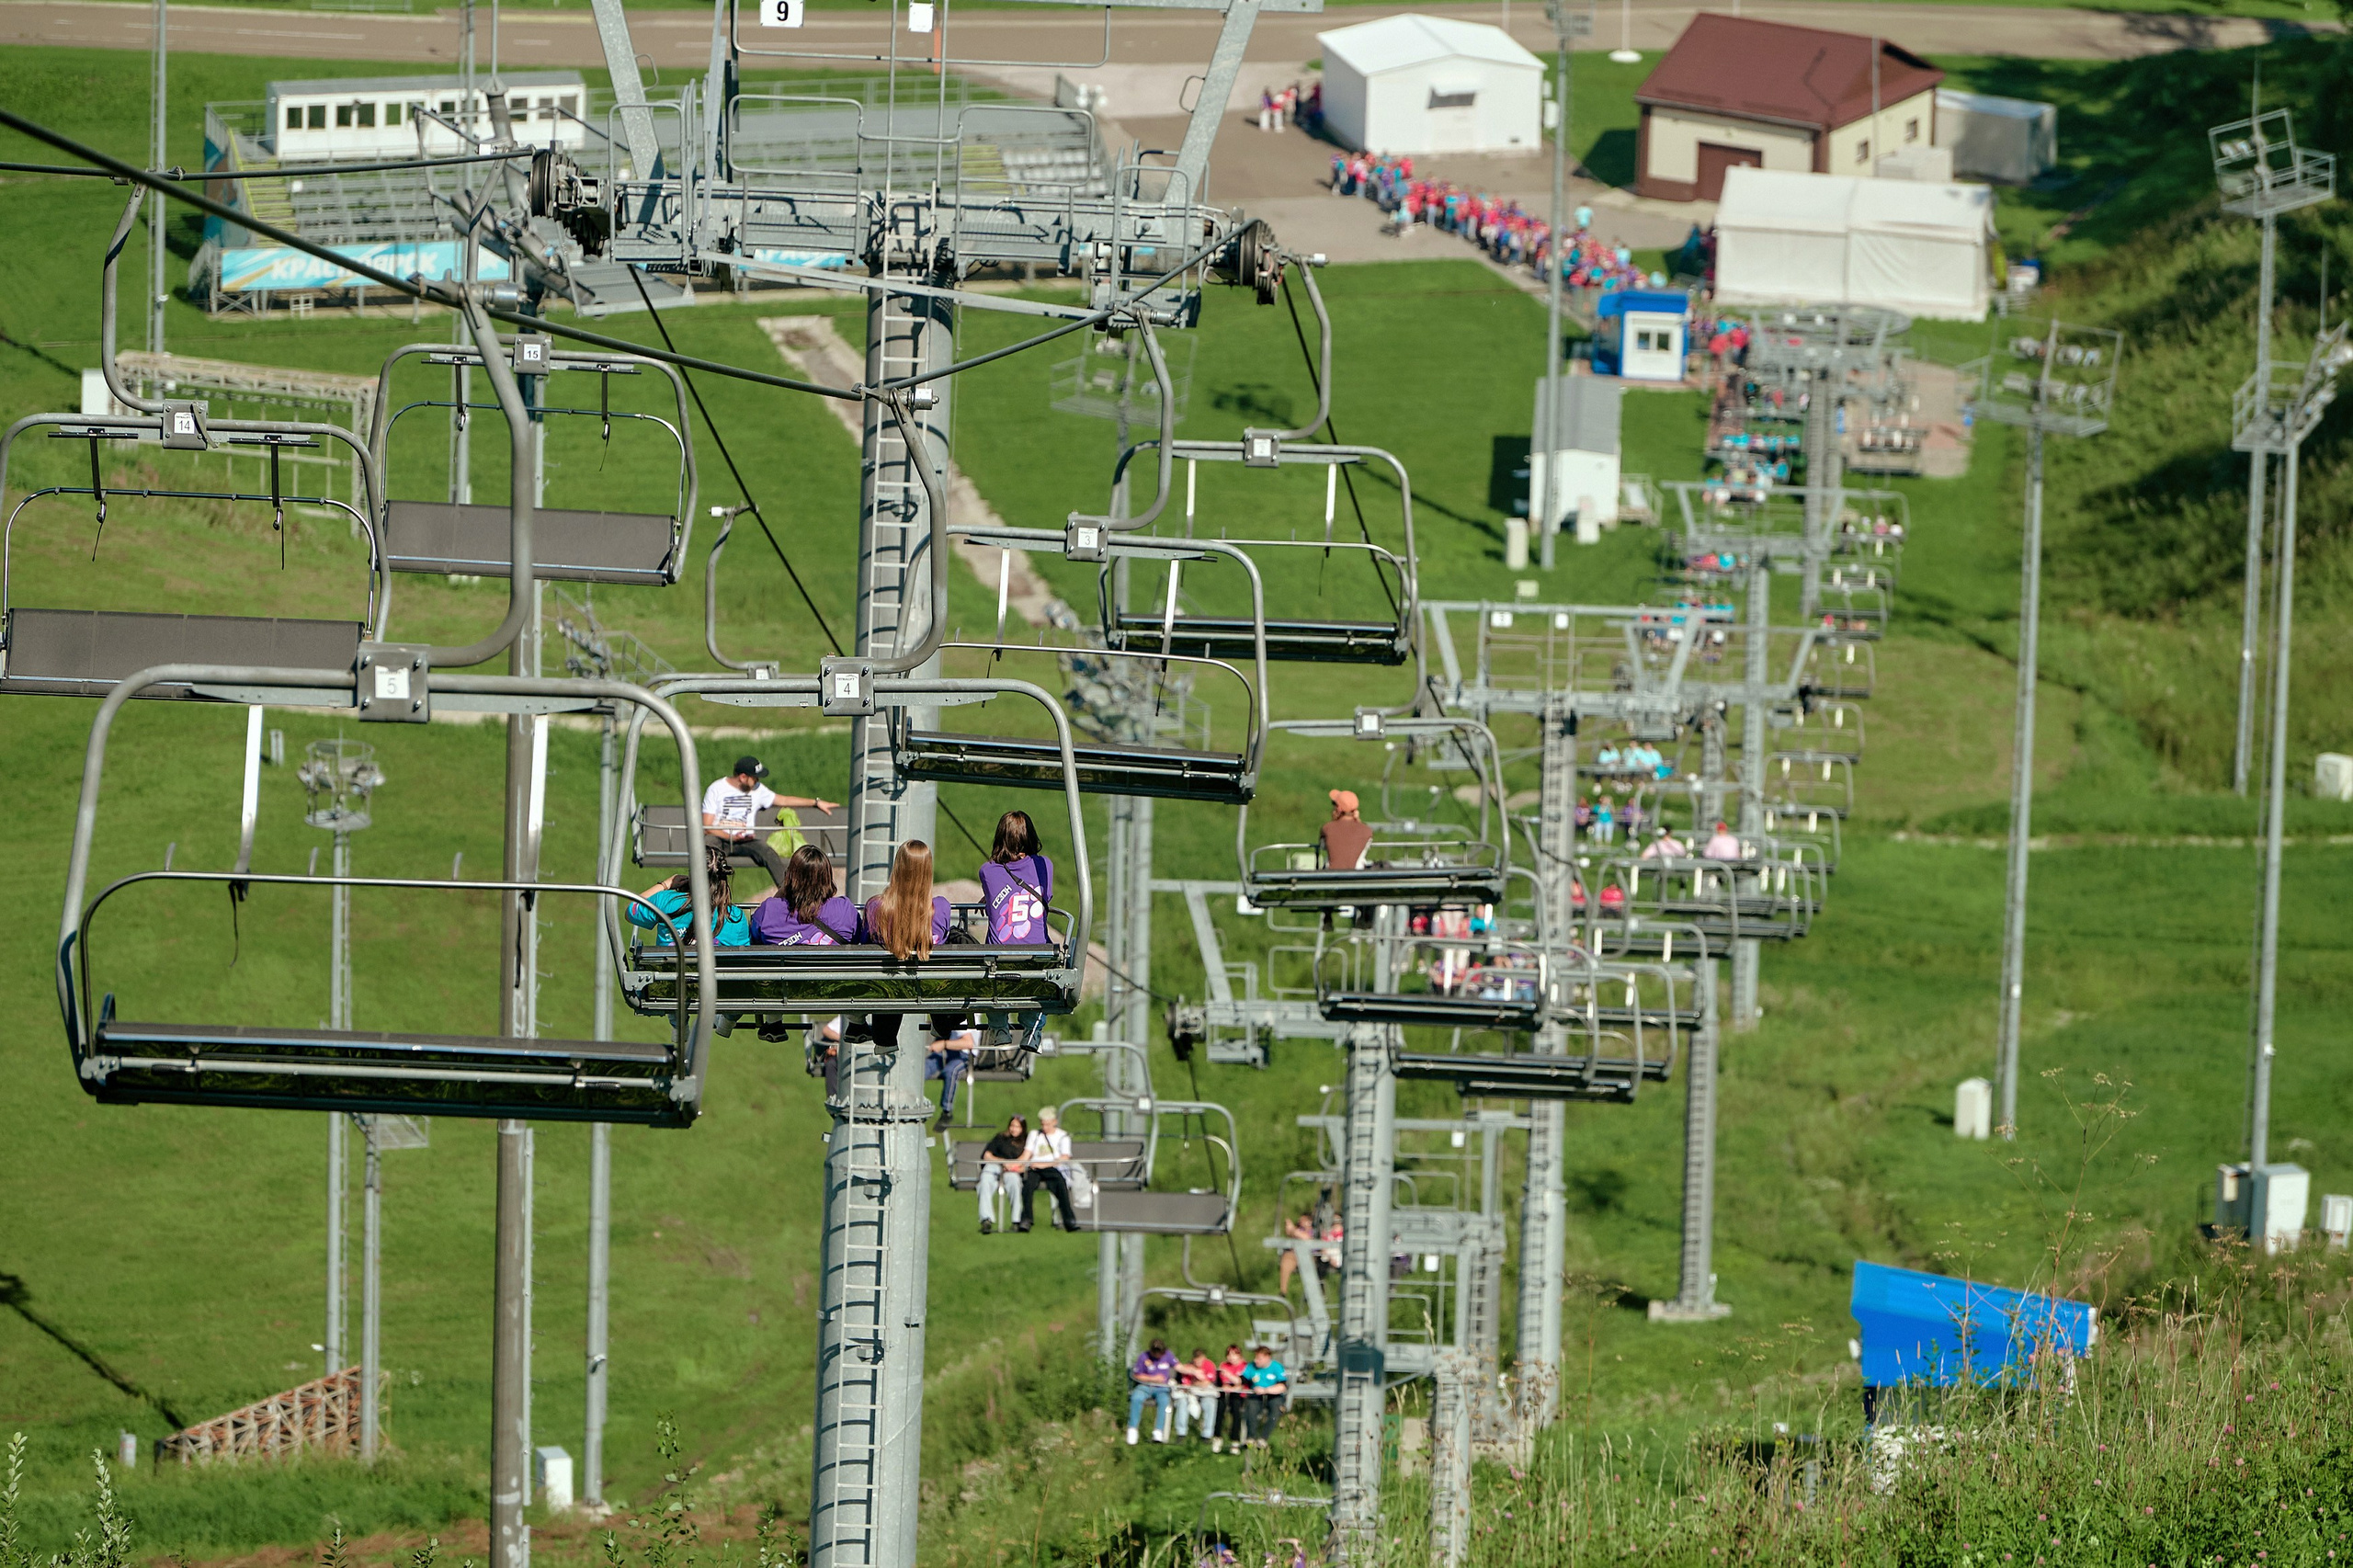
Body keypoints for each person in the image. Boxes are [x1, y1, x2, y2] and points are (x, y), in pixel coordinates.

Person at [856, 841, 959, 1053]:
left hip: (889, 987)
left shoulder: (876, 908)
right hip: (929, 987)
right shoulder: (940, 908)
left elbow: (865, 944)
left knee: (889, 975)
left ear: (898, 868)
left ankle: (885, 1038)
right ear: (927, 871)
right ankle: (941, 1024)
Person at [702, 756, 834, 891]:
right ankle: (703, 894)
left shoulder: (757, 789)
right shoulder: (716, 789)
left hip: (745, 841)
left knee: (768, 853)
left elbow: (784, 800)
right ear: (742, 777)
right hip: (719, 838)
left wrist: (816, 803)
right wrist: (731, 836)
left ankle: (789, 893)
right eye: (755, 778)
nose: (757, 781)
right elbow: (707, 827)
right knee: (707, 852)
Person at [628, 844, 753, 947]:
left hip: (670, 976)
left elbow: (632, 909)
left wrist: (666, 884)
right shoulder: (735, 917)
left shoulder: (665, 901)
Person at [751, 844, 858, 945]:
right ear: (827, 878)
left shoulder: (769, 910)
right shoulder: (845, 910)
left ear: (790, 877)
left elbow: (755, 939)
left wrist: (783, 890)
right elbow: (859, 939)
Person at [981, 810, 1053, 944]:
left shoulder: (988, 871)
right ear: (1031, 836)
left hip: (998, 956)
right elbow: (1046, 897)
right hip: (1039, 952)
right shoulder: (1044, 865)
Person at [1018, 1104, 1078, 1232]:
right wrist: (1015, 1164)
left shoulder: (1063, 1136)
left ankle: (1069, 1220)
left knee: (1061, 1186)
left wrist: (1044, 1164)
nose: (1044, 1127)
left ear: (1054, 1122)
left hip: (1052, 1167)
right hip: (1034, 1168)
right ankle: (1026, 1219)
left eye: (1047, 1124)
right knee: (1027, 1187)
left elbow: (1065, 1157)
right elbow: (1026, 1154)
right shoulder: (1035, 1134)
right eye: (1042, 1124)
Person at [976, 1113, 1027, 1233]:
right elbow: (987, 1155)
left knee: (1014, 1183)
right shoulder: (1000, 1138)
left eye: (1017, 1127)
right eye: (1012, 1126)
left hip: (1011, 1171)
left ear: (1022, 1128)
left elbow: (1025, 1162)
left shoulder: (1026, 1142)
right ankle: (986, 1219)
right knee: (984, 1183)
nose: (1014, 1129)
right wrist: (1002, 1162)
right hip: (995, 1166)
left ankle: (1016, 1220)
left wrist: (1012, 1166)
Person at [1126, 1337, 1178, 1444]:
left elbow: (1179, 1366)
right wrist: (1153, 1379)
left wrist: (1194, 1371)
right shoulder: (1143, 1357)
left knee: (1164, 1401)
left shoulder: (1168, 1355)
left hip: (1162, 1389)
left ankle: (1158, 1431)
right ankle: (1132, 1430)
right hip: (1145, 1386)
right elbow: (1137, 1375)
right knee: (1136, 1398)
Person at [927, 1022, 976, 1131]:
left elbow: (968, 1043)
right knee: (924, 1067)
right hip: (945, 1053)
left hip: (963, 1055)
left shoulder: (964, 1019)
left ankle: (947, 1111)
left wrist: (944, 1044)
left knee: (951, 1072)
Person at [1238, 1345, 1289, 1448]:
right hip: (1256, 1394)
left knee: (1275, 1410)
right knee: (1251, 1410)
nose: (1256, 1361)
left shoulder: (1276, 1367)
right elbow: (1241, 1380)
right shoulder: (1251, 1367)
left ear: (1267, 1357)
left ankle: (1263, 1438)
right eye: (1256, 1358)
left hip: (1273, 1395)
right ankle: (1251, 1437)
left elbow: (1282, 1386)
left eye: (1259, 1358)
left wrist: (1266, 1390)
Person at [1174, 1348, 1221, 1444]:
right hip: (1191, 1394)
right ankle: (1181, 1433)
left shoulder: (1209, 1365)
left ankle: (1207, 1435)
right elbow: (1186, 1385)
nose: (1199, 1362)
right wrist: (1196, 1382)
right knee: (1182, 1402)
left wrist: (1195, 1383)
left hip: (1206, 1393)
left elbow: (1206, 1383)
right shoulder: (1189, 1367)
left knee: (1210, 1404)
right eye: (1197, 1360)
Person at [1321, 789, 1373, 870]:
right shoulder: (1367, 831)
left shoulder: (1327, 828)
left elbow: (1323, 846)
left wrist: (1335, 820)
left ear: (1338, 809)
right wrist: (1358, 821)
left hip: (1330, 877)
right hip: (1357, 877)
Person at [1213, 1344, 1250, 1451]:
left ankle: (1235, 1440)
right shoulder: (1224, 1366)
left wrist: (1232, 1380)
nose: (1231, 1357)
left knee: (1236, 1411)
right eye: (1229, 1355)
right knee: (1220, 1408)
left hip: (1240, 1395)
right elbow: (1224, 1382)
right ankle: (1217, 1437)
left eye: (1234, 1354)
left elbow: (1241, 1382)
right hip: (1227, 1393)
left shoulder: (1245, 1366)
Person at [1275, 1210, 1316, 1297]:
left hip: (1308, 1255)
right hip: (1294, 1254)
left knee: (1308, 1267)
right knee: (1286, 1262)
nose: (1300, 1222)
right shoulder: (1298, 1230)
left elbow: (1305, 1238)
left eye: (1303, 1220)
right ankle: (1283, 1291)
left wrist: (1292, 1229)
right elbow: (1291, 1233)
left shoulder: (1313, 1232)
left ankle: (1310, 1291)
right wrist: (1289, 1227)